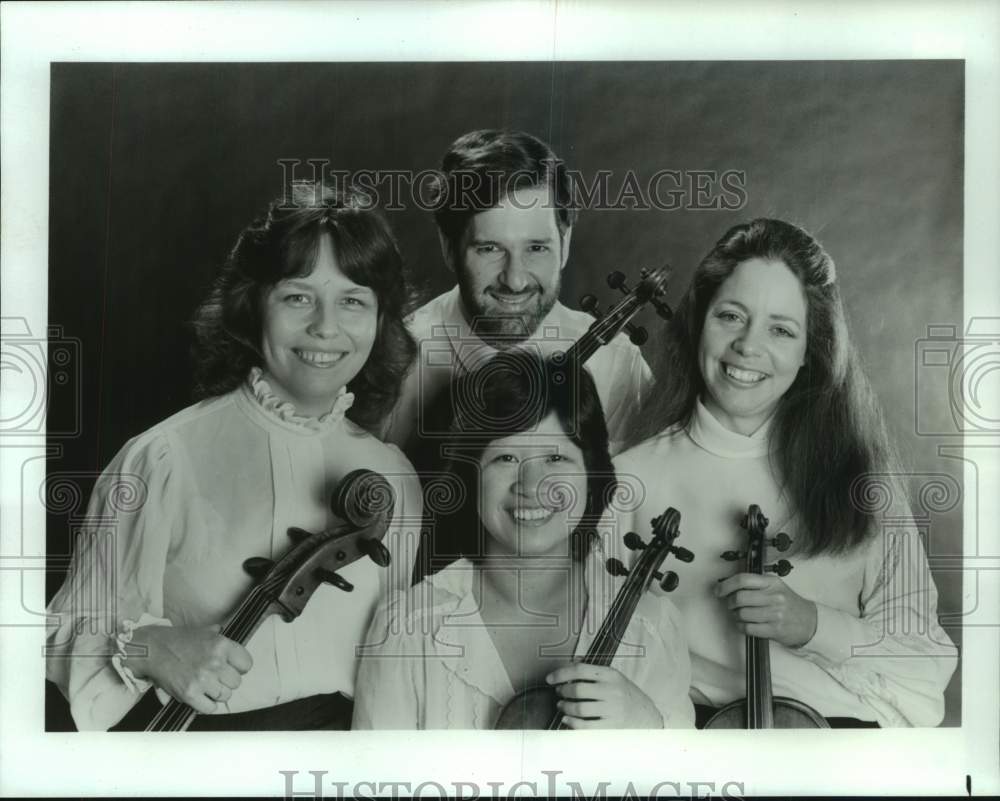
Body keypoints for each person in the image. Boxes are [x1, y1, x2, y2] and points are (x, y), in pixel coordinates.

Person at [45, 183, 423, 731]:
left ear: (380, 319)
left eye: (353, 300)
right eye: (298, 296)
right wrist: (148, 646)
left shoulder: (394, 477)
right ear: (253, 305)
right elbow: (54, 632)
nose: (326, 326)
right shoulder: (163, 459)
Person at [612, 218, 958, 727]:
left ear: (807, 352)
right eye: (731, 316)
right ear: (698, 321)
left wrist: (811, 624)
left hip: (844, 746)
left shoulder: (863, 482)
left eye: (780, 329)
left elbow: (926, 667)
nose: (748, 347)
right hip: (706, 750)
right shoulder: (628, 479)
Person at [353, 350, 694, 729]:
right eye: (506, 458)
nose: (531, 486)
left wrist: (646, 725)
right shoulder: (406, 627)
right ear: (471, 477)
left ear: (591, 475)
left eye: (555, 458)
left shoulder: (652, 626)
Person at [384, 129, 652, 464]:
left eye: (536, 248)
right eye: (490, 248)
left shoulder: (617, 363)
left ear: (565, 243)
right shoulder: (395, 357)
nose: (515, 279)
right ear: (448, 247)